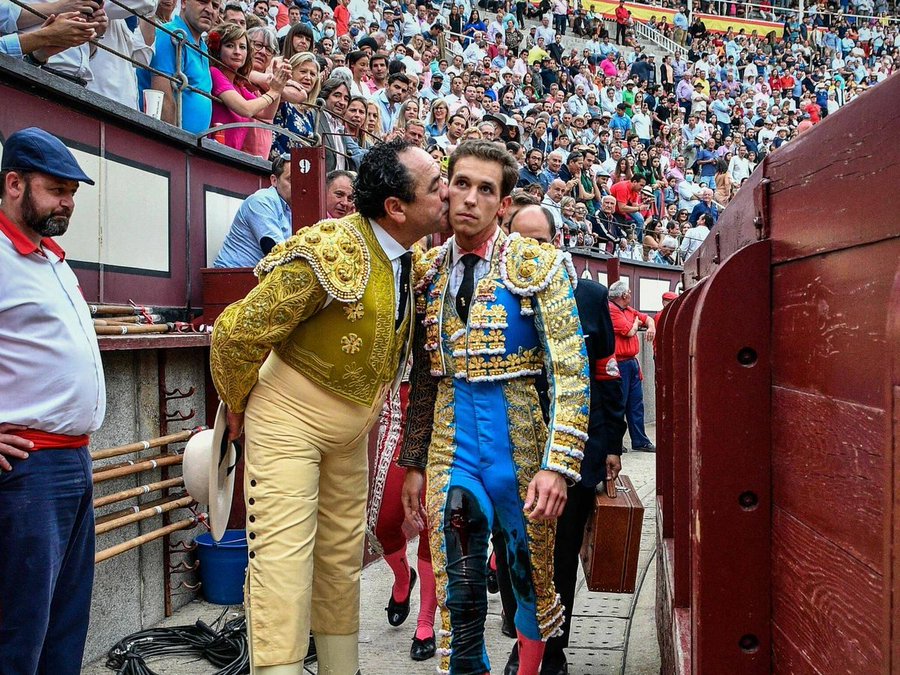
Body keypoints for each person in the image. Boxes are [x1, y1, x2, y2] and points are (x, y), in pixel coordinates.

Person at [211, 139, 448, 675]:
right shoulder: (331, 248)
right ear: (396, 207)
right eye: (435, 185)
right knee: (283, 558)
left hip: (350, 430)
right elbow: (237, 331)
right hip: (288, 422)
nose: (447, 192)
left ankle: (341, 667)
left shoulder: (409, 260)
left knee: (341, 558)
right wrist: (238, 405)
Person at [399, 141, 590, 675]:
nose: (471, 199)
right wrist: (414, 462)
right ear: (446, 190)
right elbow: (424, 373)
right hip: (450, 443)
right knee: (458, 588)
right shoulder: (427, 271)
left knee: (530, 577)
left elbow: (570, 372)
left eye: (487, 190)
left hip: (521, 439)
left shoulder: (537, 264)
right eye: (462, 184)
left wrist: (557, 465)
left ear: (502, 204)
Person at [497, 203, 626, 675]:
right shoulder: (495, 292)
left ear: (558, 243)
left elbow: (605, 374)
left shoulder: (588, 296)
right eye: (521, 240)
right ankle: (522, 635)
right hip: (507, 443)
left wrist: (612, 443)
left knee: (562, 551)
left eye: (542, 241)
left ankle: (551, 648)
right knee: (511, 545)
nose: (531, 251)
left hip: (575, 448)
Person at [0, 127, 105, 674]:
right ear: (14, 183)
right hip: (27, 469)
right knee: (20, 631)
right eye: (56, 189)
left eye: (72, 193)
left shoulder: (50, 257)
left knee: (64, 628)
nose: (67, 202)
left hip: (73, 460)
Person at [147, 0, 222, 133]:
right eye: (203, 1)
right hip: (173, 145)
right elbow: (163, 96)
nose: (210, 10)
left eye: (215, 6)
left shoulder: (202, 47)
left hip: (191, 146)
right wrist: (174, 142)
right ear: (184, 3)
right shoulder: (170, 34)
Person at [214, 154, 292, 268]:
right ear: (274, 180)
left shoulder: (293, 206)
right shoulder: (261, 201)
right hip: (232, 276)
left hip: (256, 276)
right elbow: (277, 252)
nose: (299, 185)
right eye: (290, 179)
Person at [607, 280, 655, 451]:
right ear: (623, 295)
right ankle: (615, 443)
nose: (630, 294)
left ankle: (640, 440)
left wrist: (651, 327)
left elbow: (647, 319)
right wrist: (636, 323)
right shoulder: (612, 310)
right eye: (628, 291)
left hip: (631, 362)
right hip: (619, 363)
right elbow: (629, 331)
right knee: (619, 404)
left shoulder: (626, 309)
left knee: (636, 403)